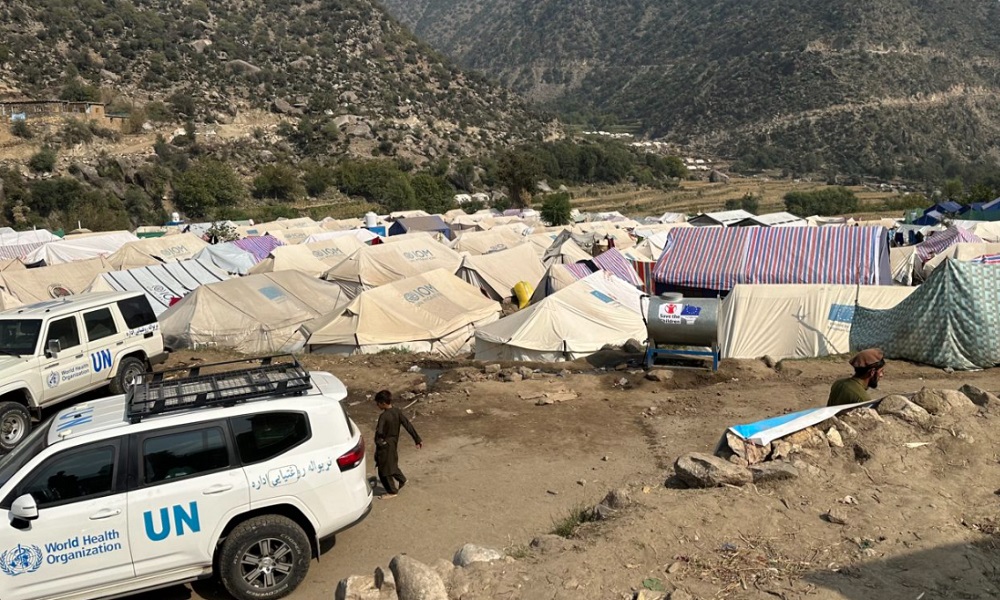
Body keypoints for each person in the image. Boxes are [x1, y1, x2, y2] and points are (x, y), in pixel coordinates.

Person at [373, 390, 422, 498]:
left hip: (385, 445)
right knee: (392, 463)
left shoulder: (384, 416)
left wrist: (379, 442)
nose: (377, 405)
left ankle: (392, 491)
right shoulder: (397, 411)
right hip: (393, 442)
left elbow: (379, 432)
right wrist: (417, 439)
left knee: (384, 470)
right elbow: (407, 425)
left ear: (383, 403)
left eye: (378, 403)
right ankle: (402, 479)